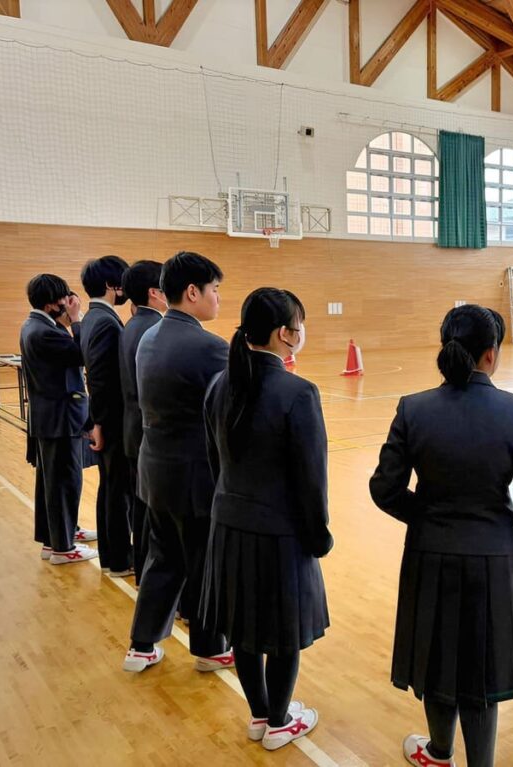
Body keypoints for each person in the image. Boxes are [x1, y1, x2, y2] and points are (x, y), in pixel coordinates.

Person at [370, 305, 513, 767]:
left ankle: (439, 752)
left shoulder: (413, 408)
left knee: (437, 662)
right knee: (480, 674)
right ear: (491, 355)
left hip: (429, 557)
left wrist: (427, 516)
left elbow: (383, 489)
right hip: (493, 561)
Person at [202, 287, 331, 752]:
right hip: (279, 534)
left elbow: (214, 461)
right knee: (281, 632)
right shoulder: (298, 392)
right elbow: (311, 480)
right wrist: (319, 537)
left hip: (229, 526)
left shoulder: (220, 384)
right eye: (301, 323)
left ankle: (260, 715)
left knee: (244, 626)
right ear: (285, 334)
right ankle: (279, 721)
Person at [122, 251, 233, 673]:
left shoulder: (149, 335)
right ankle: (209, 648)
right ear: (192, 292)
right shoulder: (207, 345)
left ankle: (142, 644)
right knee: (204, 560)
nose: (218, 299)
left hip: (155, 470)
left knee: (163, 557)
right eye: (215, 290)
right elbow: (236, 401)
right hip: (194, 475)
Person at [19, 274, 99, 566]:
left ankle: (55, 538)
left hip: (49, 417)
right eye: (66, 299)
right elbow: (83, 355)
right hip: (60, 419)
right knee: (65, 482)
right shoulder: (46, 332)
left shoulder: (35, 325)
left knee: (52, 483)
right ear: (53, 303)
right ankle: (63, 548)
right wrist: (77, 320)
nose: (69, 303)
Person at [79, 255, 133, 577]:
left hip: (107, 418)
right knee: (117, 490)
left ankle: (114, 555)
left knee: (111, 487)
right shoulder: (105, 321)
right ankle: (118, 558)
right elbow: (98, 378)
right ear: (113, 286)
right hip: (112, 420)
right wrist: (97, 423)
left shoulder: (92, 317)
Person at [119, 260, 166, 586]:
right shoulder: (152, 330)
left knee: (141, 505)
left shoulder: (132, 325)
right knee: (153, 512)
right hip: (149, 433)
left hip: (133, 429)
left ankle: (143, 570)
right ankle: (151, 576)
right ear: (153, 292)